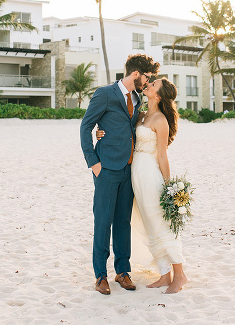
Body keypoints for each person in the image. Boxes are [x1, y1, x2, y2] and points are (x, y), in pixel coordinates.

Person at [96, 77, 188, 293]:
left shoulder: (160, 120)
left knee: (161, 223)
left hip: (150, 175)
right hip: (135, 175)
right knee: (149, 224)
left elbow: (162, 155)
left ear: (158, 95)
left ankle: (179, 275)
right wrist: (100, 132)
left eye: (154, 85)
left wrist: (169, 187)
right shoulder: (142, 114)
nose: (149, 85)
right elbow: (121, 130)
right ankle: (164, 274)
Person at [80, 54, 160, 295]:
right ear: (136, 74)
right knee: (103, 221)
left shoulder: (137, 98)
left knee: (123, 222)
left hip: (128, 169)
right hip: (105, 169)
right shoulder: (104, 94)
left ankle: (122, 271)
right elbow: (86, 126)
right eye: (147, 77)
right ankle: (100, 275)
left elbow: (130, 128)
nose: (148, 82)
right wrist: (93, 163)